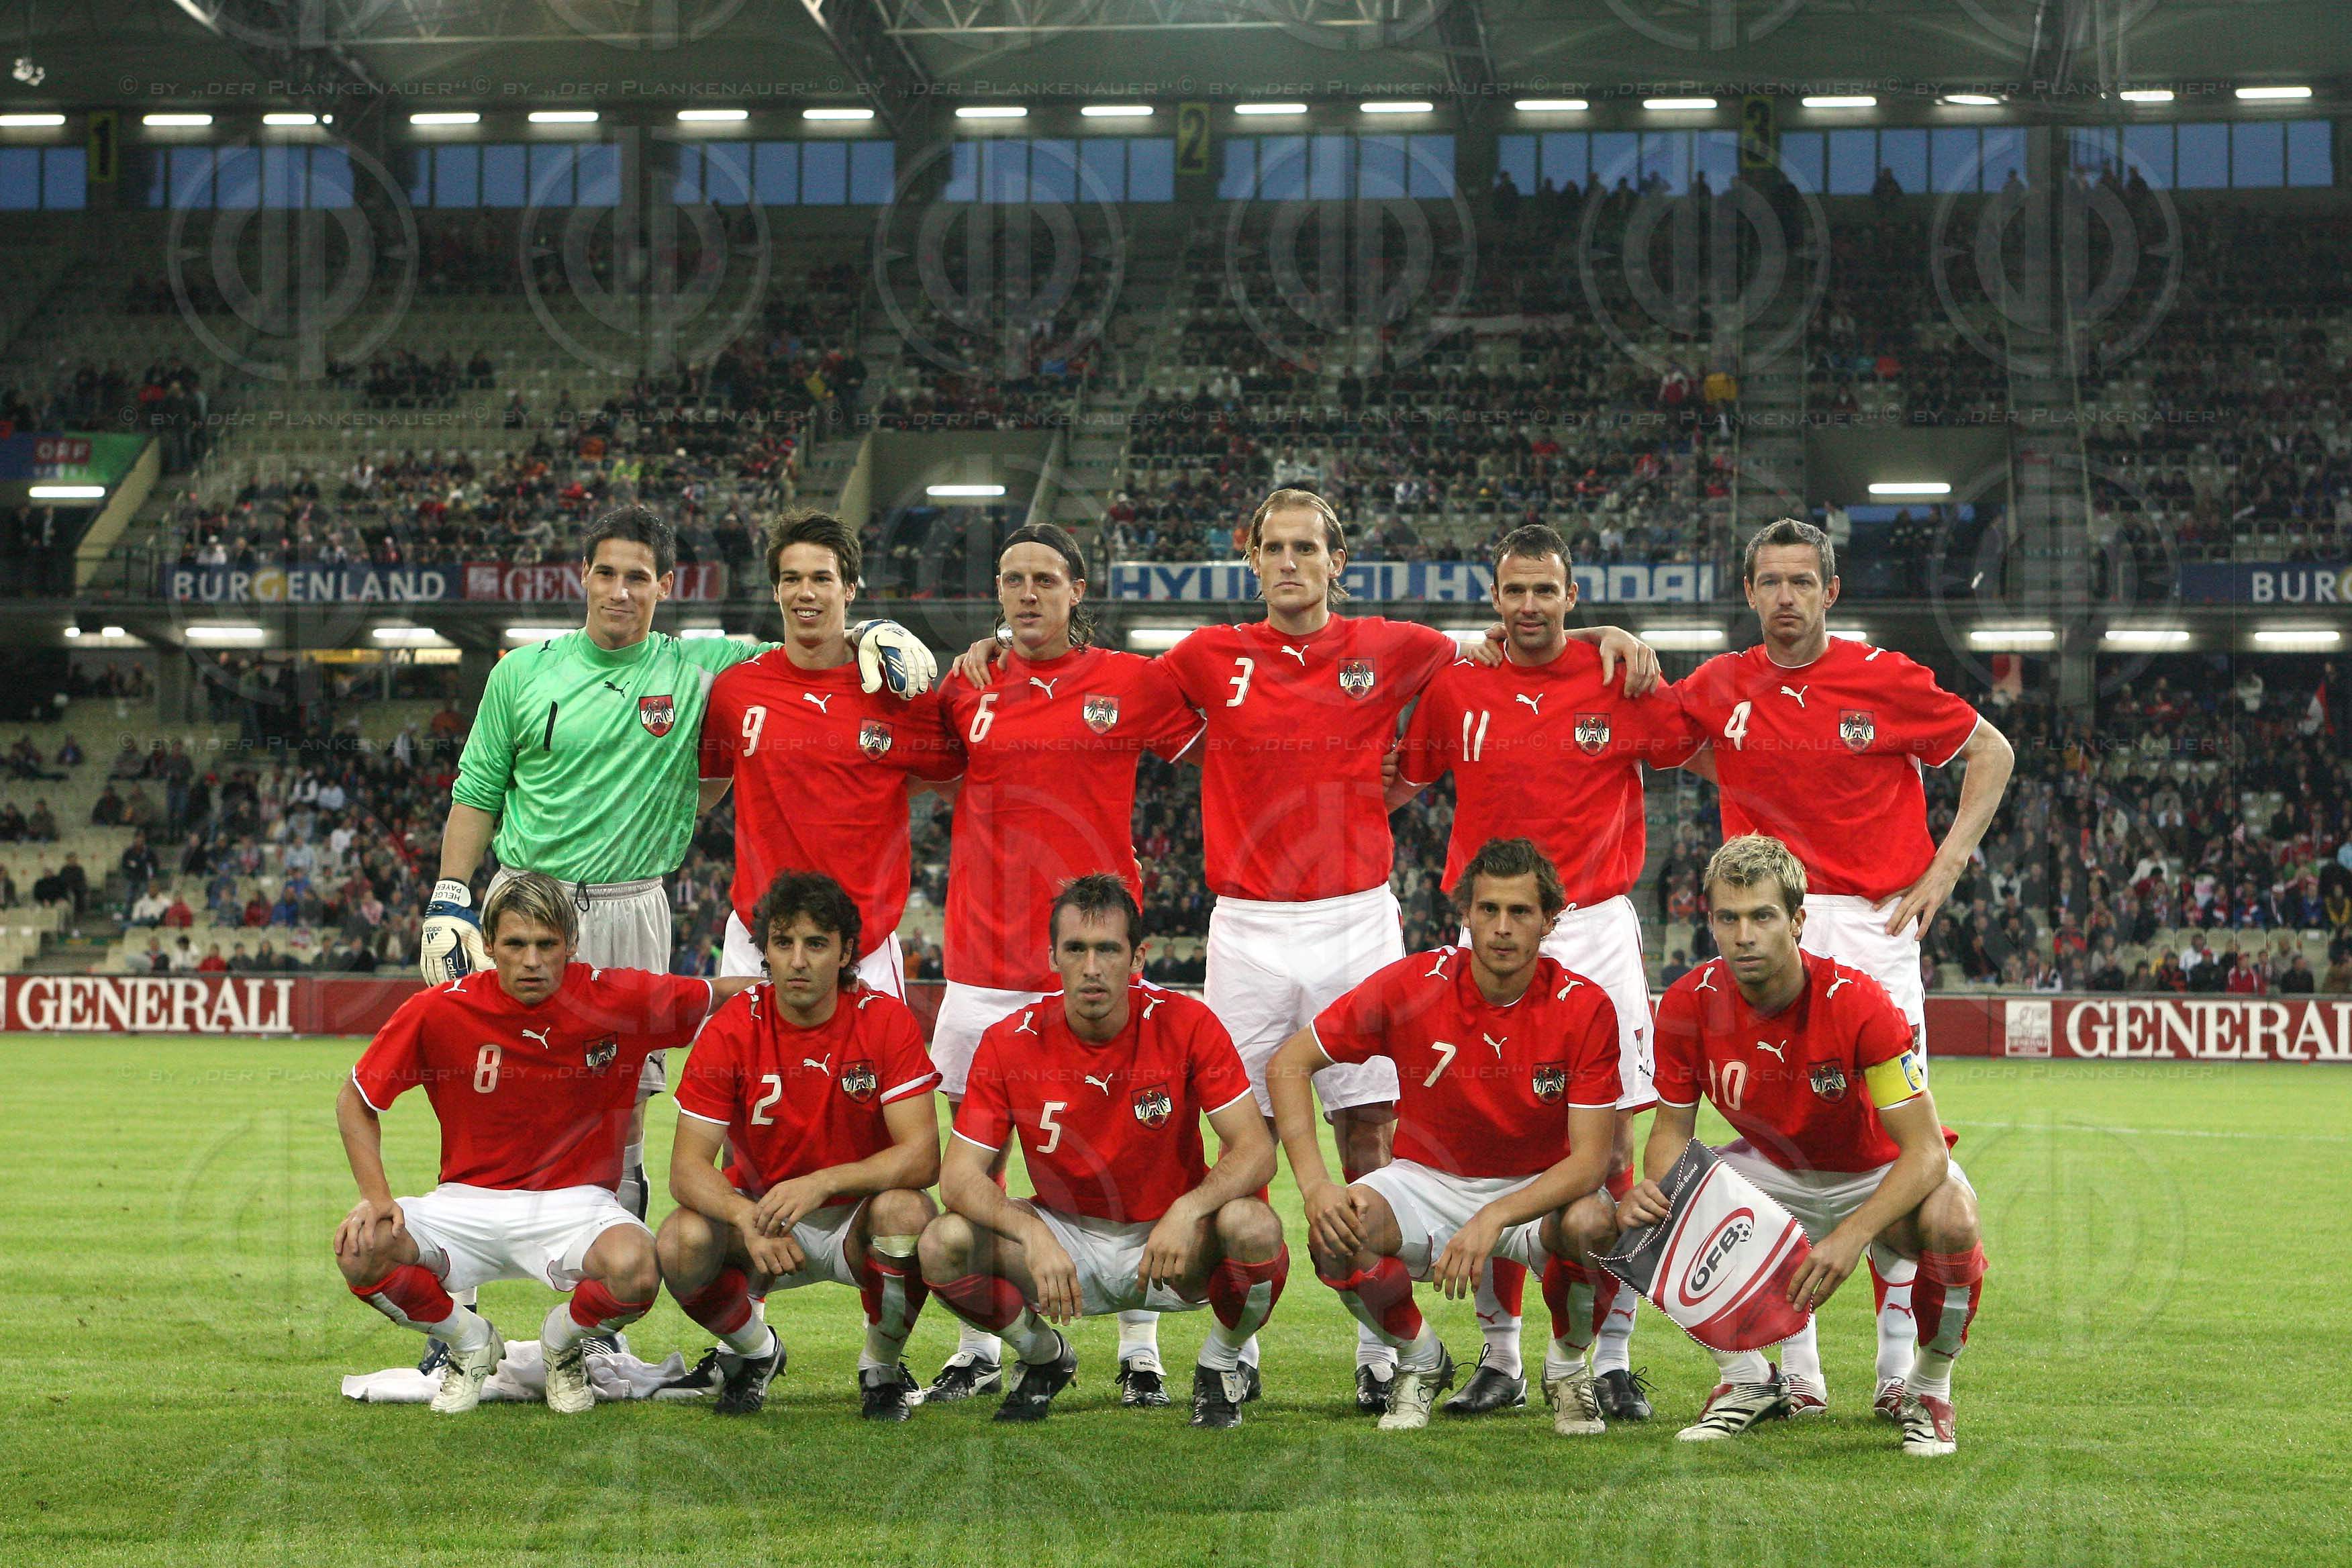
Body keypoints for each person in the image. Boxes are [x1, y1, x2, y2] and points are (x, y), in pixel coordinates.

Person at [426, 504, 933, 1377]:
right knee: (490, 1098)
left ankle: (599, 1324)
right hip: (527, 901)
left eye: (640, 576)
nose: (621, 591)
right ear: (582, 577)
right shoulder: (521, 672)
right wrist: (450, 895)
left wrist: (871, 630)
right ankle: (456, 1325)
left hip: (632, 905)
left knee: (622, 1110)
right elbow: (477, 786)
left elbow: (801, 645)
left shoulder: (702, 668)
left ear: (667, 585)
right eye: (607, 572)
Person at [1668, 517, 2011, 1418]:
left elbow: (1993, 749)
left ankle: (1898, 1371)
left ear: (1830, 591)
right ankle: (1799, 1370)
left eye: (1801, 581)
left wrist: (1946, 865)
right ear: (1749, 592)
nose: (1785, 596)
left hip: (1870, 923)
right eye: (1769, 581)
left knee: (1883, 1141)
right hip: (1767, 920)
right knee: (1782, 1132)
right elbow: (1657, 733)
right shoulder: (1720, 684)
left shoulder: (1884, 677)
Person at [1388, 522, 1694, 1420]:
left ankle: (1609, 1357)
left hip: (1593, 926)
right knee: (1488, 1134)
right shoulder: (1458, 685)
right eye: (1514, 591)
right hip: (1490, 926)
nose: (1529, 606)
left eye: (1545, 590)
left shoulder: (1618, 678)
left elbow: (1698, 741)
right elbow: (1403, 778)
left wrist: (1617, 641)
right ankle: (1500, 1357)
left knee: (1618, 1151)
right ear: (1494, 598)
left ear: (1572, 595)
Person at [921, 523, 1205, 1406]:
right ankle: (983, 1345)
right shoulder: (965, 688)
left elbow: (1218, 740)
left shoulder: (1132, 681)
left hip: (1093, 957)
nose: (1028, 593)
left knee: (1134, 1149)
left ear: (1078, 590)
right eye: (1013, 579)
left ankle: (1141, 1347)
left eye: (1046, 578)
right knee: (976, 1162)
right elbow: (914, 758)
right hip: (981, 959)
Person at [1616, 835, 1986, 1455]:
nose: (1744, 936)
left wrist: (1853, 1234)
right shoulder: (1687, 1003)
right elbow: (1671, 1133)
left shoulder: (1860, 1002)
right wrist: (1655, 1194)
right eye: (1728, 918)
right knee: (1650, 1211)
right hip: (1777, 1174)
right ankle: (1747, 1381)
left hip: (1876, 1172)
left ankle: (1928, 1388)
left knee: (1955, 1219)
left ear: (1797, 921)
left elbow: (1927, 1152)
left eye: (1762, 916)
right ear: (1711, 922)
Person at [332, 873, 746, 1414]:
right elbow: (356, 1098)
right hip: (466, 1201)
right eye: (515, 944)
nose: (532, 961)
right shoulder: (439, 1009)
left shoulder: (617, 997)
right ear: (488, 945)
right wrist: (376, 1197)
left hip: (577, 1204)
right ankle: (469, 1343)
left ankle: (562, 1342)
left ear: (571, 944)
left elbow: (725, 995)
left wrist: (825, 987)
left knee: (639, 1268)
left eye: (547, 944)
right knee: (360, 1247)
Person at [1265, 838, 1624, 1432]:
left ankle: (1567, 1369)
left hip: (1539, 1188)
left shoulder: (1585, 1007)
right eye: (1489, 909)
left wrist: (1492, 1217)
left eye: (1521, 912)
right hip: (1427, 1180)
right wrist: (1315, 1186)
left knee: (1595, 1223)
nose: (1502, 927)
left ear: (1550, 921)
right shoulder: (1413, 985)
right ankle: (1420, 1360)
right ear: (1466, 915)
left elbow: (1589, 1163)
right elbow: (1288, 1064)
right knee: (1337, 1234)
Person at [917, 875, 1287, 1430]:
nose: (1092, 967)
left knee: (1255, 1226)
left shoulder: (1187, 1023)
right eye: (1076, 949)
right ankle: (1044, 1356)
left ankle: (1220, 1365)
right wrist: (1032, 1234)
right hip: (1064, 1237)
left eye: (1108, 950)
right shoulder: (1008, 1040)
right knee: (941, 1242)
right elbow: (958, 1178)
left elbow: (1256, 1150)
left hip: (1173, 1242)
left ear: (1137, 957)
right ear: (1053, 957)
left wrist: (1187, 1209)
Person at [659, 869, 941, 1420]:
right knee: (679, 1240)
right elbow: (686, 1169)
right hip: (765, 1218)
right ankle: (755, 1352)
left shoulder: (884, 1019)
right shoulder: (733, 1026)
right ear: (764, 950)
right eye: (783, 942)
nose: (798, 960)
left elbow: (923, 1157)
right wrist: (744, 1217)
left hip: (858, 1219)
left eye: (816, 944)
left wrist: (823, 1183)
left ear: (845, 952)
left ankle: (881, 1369)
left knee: (909, 1214)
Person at [699, 509, 957, 1000]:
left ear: (850, 588)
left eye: (822, 578)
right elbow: (703, 789)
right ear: (775, 589)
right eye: (792, 579)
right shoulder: (735, 691)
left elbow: (957, 781)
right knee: (743, 1056)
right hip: (757, 939)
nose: (806, 592)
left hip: (865, 944)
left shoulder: (900, 694)